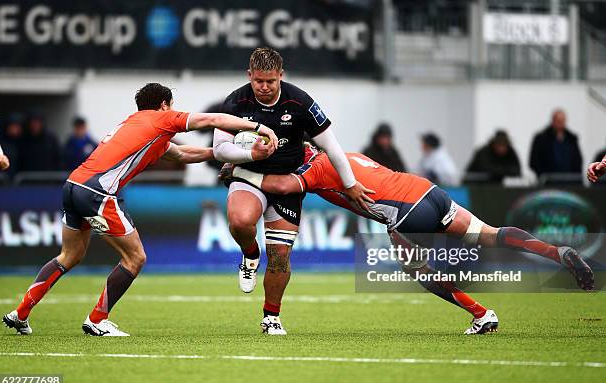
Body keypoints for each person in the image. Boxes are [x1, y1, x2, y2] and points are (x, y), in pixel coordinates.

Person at [222, 144, 594, 334]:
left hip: (405, 212)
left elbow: (285, 185)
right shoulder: (344, 154)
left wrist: (241, 172)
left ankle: (482, 314)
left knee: (417, 269)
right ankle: (557, 252)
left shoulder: (315, 167)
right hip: (428, 191)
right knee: (489, 234)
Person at [2, 82, 277, 337]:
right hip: (98, 193)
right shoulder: (161, 118)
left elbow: (183, 154)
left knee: (69, 255)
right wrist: (258, 127)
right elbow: (214, 119)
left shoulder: (136, 125)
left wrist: (236, 156)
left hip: (73, 186)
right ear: (165, 104)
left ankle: (20, 313)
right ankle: (97, 320)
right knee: (135, 258)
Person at [213, 47, 373, 335]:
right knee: (239, 220)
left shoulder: (299, 101)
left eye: (270, 81)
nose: (264, 87)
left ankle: (271, 317)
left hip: (288, 182)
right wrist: (252, 156)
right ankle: (250, 254)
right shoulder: (235, 101)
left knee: (279, 257)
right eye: (258, 81)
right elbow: (219, 148)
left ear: (281, 76)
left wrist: (350, 184)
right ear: (249, 75)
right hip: (249, 175)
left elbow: (332, 146)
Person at [529, 109, 582, 178]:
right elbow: (534, 161)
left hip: (569, 180)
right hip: (548, 181)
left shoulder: (571, 139)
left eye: (562, 121)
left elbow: (578, 160)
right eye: (558, 121)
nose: (561, 123)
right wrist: (542, 175)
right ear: (553, 121)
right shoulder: (541, 139)